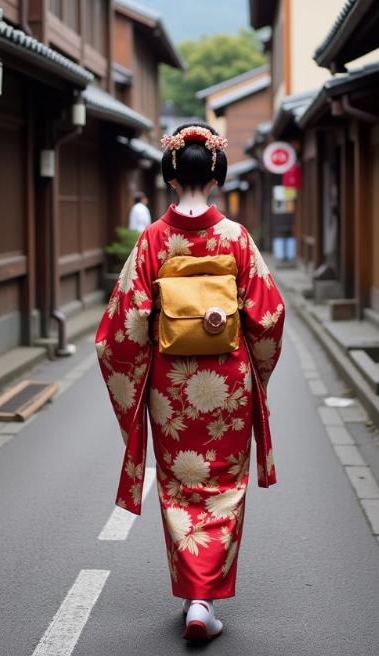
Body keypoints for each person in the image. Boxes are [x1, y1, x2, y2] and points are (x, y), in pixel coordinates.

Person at [95, 122, 285, 641]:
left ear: (171, 176)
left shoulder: (155, 239)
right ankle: (206, 602)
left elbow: (124, 327)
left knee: (180, 484)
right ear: (218, 175)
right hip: (227, 382)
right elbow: (268, 318)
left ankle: (192, 597)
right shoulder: (235, 238)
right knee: (224, 483)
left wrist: (137, 372)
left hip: (170, 388)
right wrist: (256, 373)